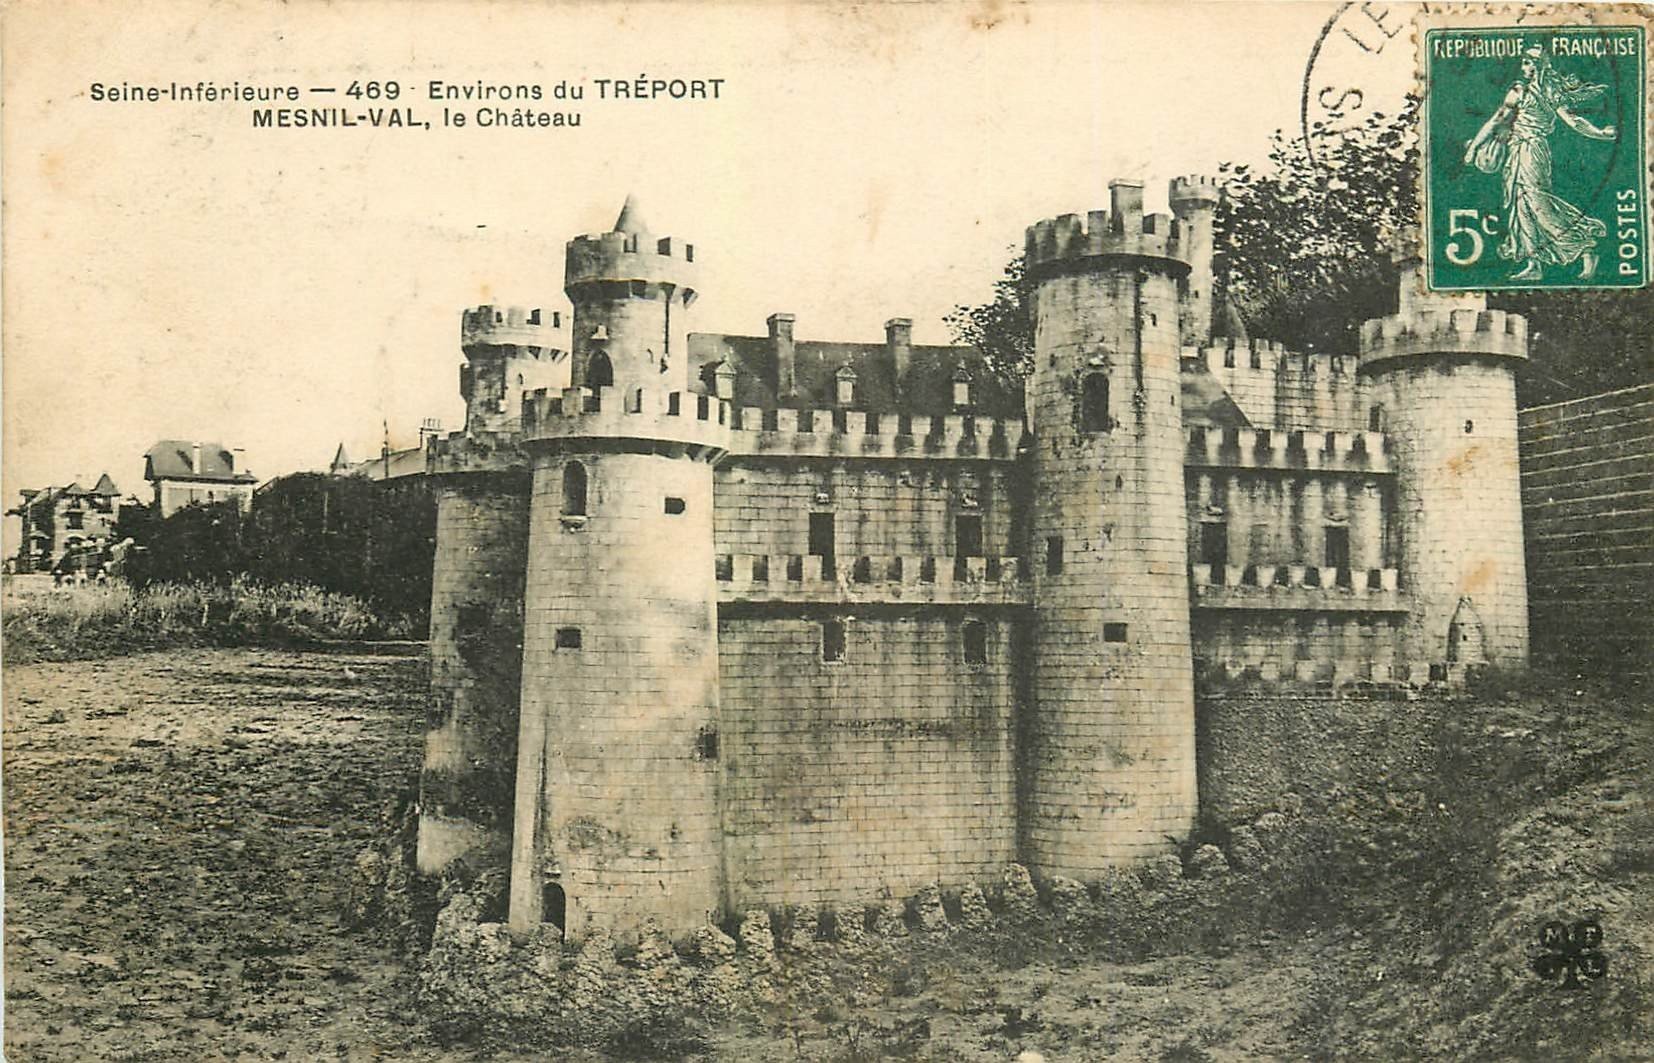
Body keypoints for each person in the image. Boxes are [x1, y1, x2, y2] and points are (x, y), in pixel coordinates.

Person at [1463, 45, 1617, 281]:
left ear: (1539, 66)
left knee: (1537, 202)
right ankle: (1533, 265)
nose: (1524, 68)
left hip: (1534, 150)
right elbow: (1496, 120)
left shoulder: (1549, 91)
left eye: (1529, 63)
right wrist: (1474, 147)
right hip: (1516, 150)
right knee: (1520, 205)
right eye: (1523, 63)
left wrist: (1600, 134)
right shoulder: (1517, 90)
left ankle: (1585, 248)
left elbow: (1573, 121)